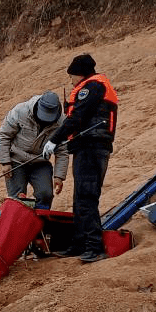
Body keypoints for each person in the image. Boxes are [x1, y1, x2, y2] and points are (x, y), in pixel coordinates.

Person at [42, 54, 119, 264]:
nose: (71, 81)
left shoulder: (91, 87)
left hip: (92, 148)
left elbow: (77, 117)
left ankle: (95, 247)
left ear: (80, 73)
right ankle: (78, 244)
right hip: (86, 147)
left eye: (72, 76)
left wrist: (54, 140)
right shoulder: (94, 86)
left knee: (86, 198)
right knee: (80, 199)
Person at [0, 92, 69, 209]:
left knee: (46, 194)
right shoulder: (20, 111)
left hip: (40, 162)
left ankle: (40, 224)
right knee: (17, 198)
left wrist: (59, 176)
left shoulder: (61, 122)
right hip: (16, 160)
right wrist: (5, 162)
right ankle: (18, 224)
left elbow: (62, 150)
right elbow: (4, 135)